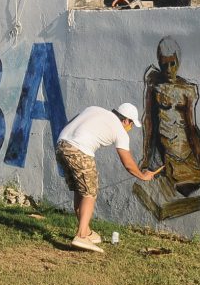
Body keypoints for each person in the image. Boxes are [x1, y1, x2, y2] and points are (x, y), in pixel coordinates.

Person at [138, 37, 200, 226]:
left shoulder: (187, 90)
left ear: (178, 61)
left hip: (189, 156)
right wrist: (146, 158)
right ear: (159, 63)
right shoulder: (154, 84)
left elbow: (192, 129)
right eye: (164, 64)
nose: (168, 69)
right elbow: (149, 122)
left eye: (172, 63)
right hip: (168, 160)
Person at [55, 102, 158, 253]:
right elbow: (128, 163)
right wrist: (143, 176)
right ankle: (81, 236)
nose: (129, 128)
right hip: (80, 150)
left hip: (61, 145)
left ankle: (87, 231)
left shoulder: (93, 108)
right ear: (125, 120)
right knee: (90, 193)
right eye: (130, 124)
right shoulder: (119, 130)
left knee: (81, 190)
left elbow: (74, 122)